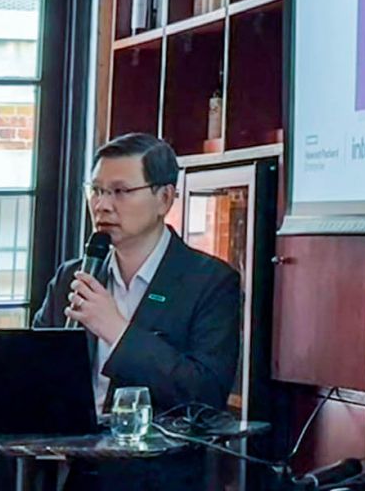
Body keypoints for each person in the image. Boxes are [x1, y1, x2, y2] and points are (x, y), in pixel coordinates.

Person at [33, 133, 241, 413]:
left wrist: (117, 331)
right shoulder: (71, 277)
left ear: (164, 199)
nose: (102, 205)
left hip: (155, 442)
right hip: (71, 440)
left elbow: (206, 394)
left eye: (120, 191)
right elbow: (34, 371)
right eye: (96, 190)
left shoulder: (210, 281)